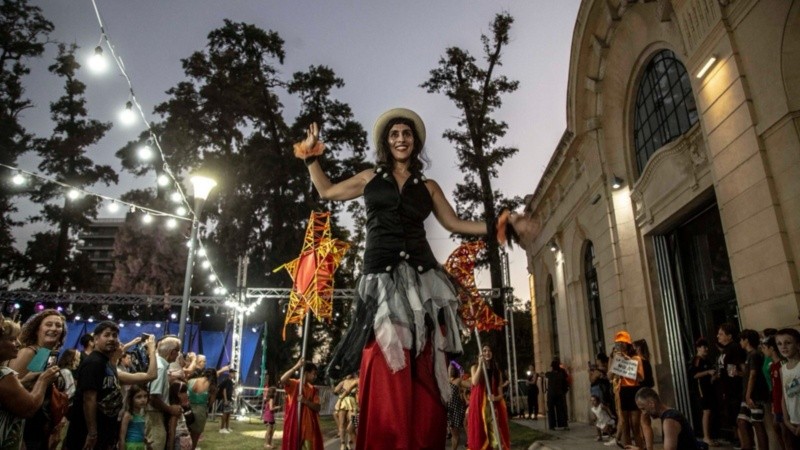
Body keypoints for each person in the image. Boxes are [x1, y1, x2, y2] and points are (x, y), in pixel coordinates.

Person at [301, 108, 529, 448]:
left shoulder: (429, 186)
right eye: (394, 134)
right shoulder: (369, 178)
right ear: (386, 142)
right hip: (380, 276)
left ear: (415, 142)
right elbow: (327, 191)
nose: (401, 139)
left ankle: (420, 437)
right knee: (384, 356)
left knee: (423, 356)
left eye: (407, 134)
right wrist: (310, 157)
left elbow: (455, 224)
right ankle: (389, 435)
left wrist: (501, 224)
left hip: (422, 277)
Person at [64, 321, 156, 450]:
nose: (111, 339)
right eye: (106, 335)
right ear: (95, 339)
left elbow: (150, 376)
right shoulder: (94, 363)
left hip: (105, 431)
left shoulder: (107, 364)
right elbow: (89, 399)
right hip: (86, 433)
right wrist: (92, 433)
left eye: (114, 335)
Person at [9, 308, 67, 450]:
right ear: (37, 330)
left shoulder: (48, 355)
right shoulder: (28, 352)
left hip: (41, 429)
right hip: (24, 430)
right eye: (48, 324)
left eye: (58, 325)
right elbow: (10, 393)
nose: (54, 328)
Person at [625, 387, 699, 450]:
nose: (644, 413)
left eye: (643, 409)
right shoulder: (670, 414)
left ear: (651, 404)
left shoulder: (669, 420)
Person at [468, 345, 511, 450]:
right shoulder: (474, 368)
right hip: (479, 406)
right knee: (481, 432)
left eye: (489, 350)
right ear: (480, 354)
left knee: (496, 437)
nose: (487, 352)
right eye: (484, 350)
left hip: (493, 406)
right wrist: (480, 365)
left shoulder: (497, 372)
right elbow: (474, 382)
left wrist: (494, 398)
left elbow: (500, 394)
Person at [609, 330, 644, 448]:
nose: (620, 346)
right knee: (625, 427)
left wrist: (627, 362)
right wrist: (616, 362)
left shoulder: (636, 358)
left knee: (635, 426)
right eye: (618, 344)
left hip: (633, 391)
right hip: (622, 391)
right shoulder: (615, 357)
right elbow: (609, 376)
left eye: (622, 344)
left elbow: (641, 377)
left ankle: (639, 447)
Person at [147, 336, 183, 450]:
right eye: (178, 351)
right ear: (172, 352)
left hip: (155, 414)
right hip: (153, 415)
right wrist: (170, 409)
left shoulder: (159, 364)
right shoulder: (160, 367)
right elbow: (153, 398)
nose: (178, 355)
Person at [737, 329, 769, 450]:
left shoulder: (754, 354)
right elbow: (748, 374)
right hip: (748, 394)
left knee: (757, 423)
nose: (740, 342)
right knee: (742, 421)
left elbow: (753, 374)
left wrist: (748, 394)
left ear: (746, 340)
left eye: (741, 339)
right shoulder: (750, 355)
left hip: (755, 395)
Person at [280, 359, 322, 450]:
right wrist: (296, 367)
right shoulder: (295, 384)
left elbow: (318, 407)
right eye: (313, 373)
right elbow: (283, 379)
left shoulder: (313, 389)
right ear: (306, 373)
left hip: (308, 427)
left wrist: (305, 401)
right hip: (294, 425)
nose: (315, 376)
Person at [717, 323, 746, 445]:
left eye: (721, 334)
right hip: (727, 389)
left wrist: (734, 373)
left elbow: (740, 368)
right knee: (732, 417)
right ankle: (737, 439)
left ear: (729, 336)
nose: (718, 336)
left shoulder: (734, 347)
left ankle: (743, 442)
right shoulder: (726, 349)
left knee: (738, 417)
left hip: (735, 389)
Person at [690, 338, 718, 447]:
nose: (706, 349)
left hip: (709, 388)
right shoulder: (697, 360)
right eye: (703, 347)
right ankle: (706, 437)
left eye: (707, 347)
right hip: (701, 390)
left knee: (710, 411)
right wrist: (707, 372)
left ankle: (710, 435)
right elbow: (694, 375)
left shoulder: (707, 360)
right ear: (698, 348)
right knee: (706, 411)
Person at [776, 328, 800, 448]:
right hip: (792, 422)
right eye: (779, 343)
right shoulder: (782, 369)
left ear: (798, 345)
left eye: (788, 343)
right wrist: (786, 420)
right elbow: (784, 396)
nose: (783, 347)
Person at [763, 334, 787, 450]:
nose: (763, 351)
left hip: (783, 405)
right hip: (776, 402)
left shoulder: (782, 365)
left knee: (785, 433)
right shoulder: (772, 366)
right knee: (777, 428)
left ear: (772, 348)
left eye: (765, 347)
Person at [186, 368, 216, 449]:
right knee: (194, 439)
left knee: (185, 436)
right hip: (201, 412)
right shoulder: (212, 386)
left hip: (188, 409)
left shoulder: (191, 381)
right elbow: (211, 403)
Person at [633, 339, 655, 450]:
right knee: (645, 422)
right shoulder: (645, 361)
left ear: (638, 348)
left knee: (644, 422)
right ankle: (647, 445)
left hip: (643, 395)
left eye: (634, 348)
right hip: (646, 393)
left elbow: (644, 379)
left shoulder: (640, 362)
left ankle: (649, 446)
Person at [119, 384, 149, 450]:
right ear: (131, 399)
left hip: (140, 445)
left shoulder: (141, 415)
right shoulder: (128, 415)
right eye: (138, 397)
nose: (143, 400)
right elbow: (122, 437)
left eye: (145, 396)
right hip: (131, 446)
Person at [446, 363, 469, 450]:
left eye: (452, 369)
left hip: (456, 408)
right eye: (449, 369)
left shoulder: (458, 380)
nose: (450, 370)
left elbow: (469, 384)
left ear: (455, 371)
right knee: (452, 433)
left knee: (455, 434)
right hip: (448, 408)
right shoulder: (445, 380)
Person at [332, 373, 358, 450]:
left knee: (353, 424)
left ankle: (351, 442)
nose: (347, 374)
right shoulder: (343, 382)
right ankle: (343, 444)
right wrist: (338, 390)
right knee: (342, 423)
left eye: (349, 372)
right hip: (343, 402)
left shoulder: (356, 380)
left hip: (354, 404)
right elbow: (335, 391)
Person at [545, 358, 570, 430]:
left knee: (551, 410)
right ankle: (563, 424)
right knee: (561, 409)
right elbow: (565, 382)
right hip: (560, 393)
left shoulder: (549, 374)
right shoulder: (562, 373)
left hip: (552, 394)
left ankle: (552, 425)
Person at [217, 369, 236, 433]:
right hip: (226, 399)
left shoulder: (230, 381)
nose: (234, 374)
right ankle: (222, 428)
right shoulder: (227, 380)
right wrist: (225, 400)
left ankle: (227, 427)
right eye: (233, 373)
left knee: (228, 413)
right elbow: (224, 390)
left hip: (229, 399)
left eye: (234, 373)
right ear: (229, 373)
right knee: (225, 413)